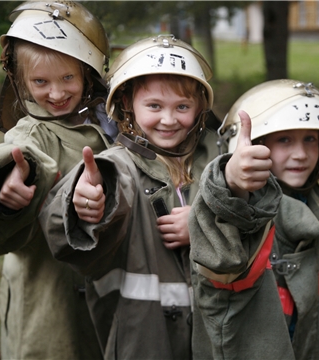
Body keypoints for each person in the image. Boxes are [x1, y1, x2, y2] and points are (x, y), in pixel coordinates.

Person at [39, 35, 221, 359]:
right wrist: (87, 204)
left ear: (200, 109)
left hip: (214, 339)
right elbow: (64, 221)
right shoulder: (117, 165)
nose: (168, 119)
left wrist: (204, 224)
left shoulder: (217, 165)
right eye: (154, 106)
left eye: (182, 106)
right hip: (144, 341)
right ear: (126, 103)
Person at [189, 79, 319, 359]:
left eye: (310, 139)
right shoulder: (241, 218)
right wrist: (233, 185)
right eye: (284, 140)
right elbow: (231, 214)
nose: (300, 154)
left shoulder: (317, 222)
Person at [0, 2, 116, 359]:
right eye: (40, 82)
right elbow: (19, 152)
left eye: (68, 78)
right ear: (20, 81)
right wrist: (9, 181)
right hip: (47, 294)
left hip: (107, 289)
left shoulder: (109, 123)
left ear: (88, 73)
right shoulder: (33, 131)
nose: (57, 93)